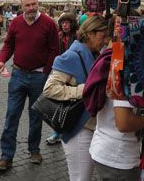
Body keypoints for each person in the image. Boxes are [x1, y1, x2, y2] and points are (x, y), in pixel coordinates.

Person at [0, 0, 59, 171]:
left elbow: (54, 49)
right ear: (21, 7)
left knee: (36, 116)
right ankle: (6, 156)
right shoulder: (15, 23)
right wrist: (1, 60)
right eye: (27, 5)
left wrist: (46, 73)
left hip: (39, 76)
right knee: (12, 115)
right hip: (18, 74)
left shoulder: (48, 23)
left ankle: (34, 150)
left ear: (38, 4)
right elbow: (8, 44)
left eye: (34, 4)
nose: (31, 8)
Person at [42, 15, 109, 181]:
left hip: (89, 125)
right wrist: (84, 90)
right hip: (78, 128)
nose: (105, 40)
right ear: (91, 33)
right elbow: (49, 89)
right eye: (103, 35)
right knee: (80, 178)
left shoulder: (93, 54)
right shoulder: (73, 55)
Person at [89, 84, 144, 180]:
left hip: (108, 149)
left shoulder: (119, 72)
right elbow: (124, 123)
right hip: (118, 157)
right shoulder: (123, 73)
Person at [46, 12, 79, 145]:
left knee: (71, 104)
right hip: (59, 72)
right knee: (58, 104)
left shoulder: (77, 37)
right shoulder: (58, 36)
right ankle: (57, 132)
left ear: (72, 24)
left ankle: (68, 130)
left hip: (73, 74)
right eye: (63, 23)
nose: (65, 25)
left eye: (68, 23)